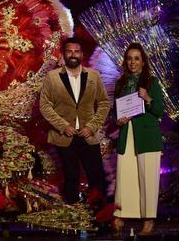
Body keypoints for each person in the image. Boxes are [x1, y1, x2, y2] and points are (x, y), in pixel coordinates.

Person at [39, 37, 110, 204]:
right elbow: (45, 106)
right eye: (69, 51)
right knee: (71, 176)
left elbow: (104, 103)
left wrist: (92, 127)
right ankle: (73, 217)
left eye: (76, 51)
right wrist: (63, 126)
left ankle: (98, 215)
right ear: (64, 54)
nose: (73, 54)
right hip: (64, 137)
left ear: (82, 54)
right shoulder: (52, 77)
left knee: (97, 176)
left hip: (88, 135)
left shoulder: (94, 76)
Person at [112, 43, 164, 236]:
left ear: (143, 62)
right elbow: (115, 112)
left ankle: (149, 220)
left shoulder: (151, 81)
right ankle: (120, 214)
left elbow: (159, 110)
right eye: (129, 58)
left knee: (148, 178)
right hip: (127, 134)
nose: (133, 62)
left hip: (147, 136)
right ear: (125, 61)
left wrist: (148, 98)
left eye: (136, 58)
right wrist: (118, 119)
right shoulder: (120, 83)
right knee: (125, 177)